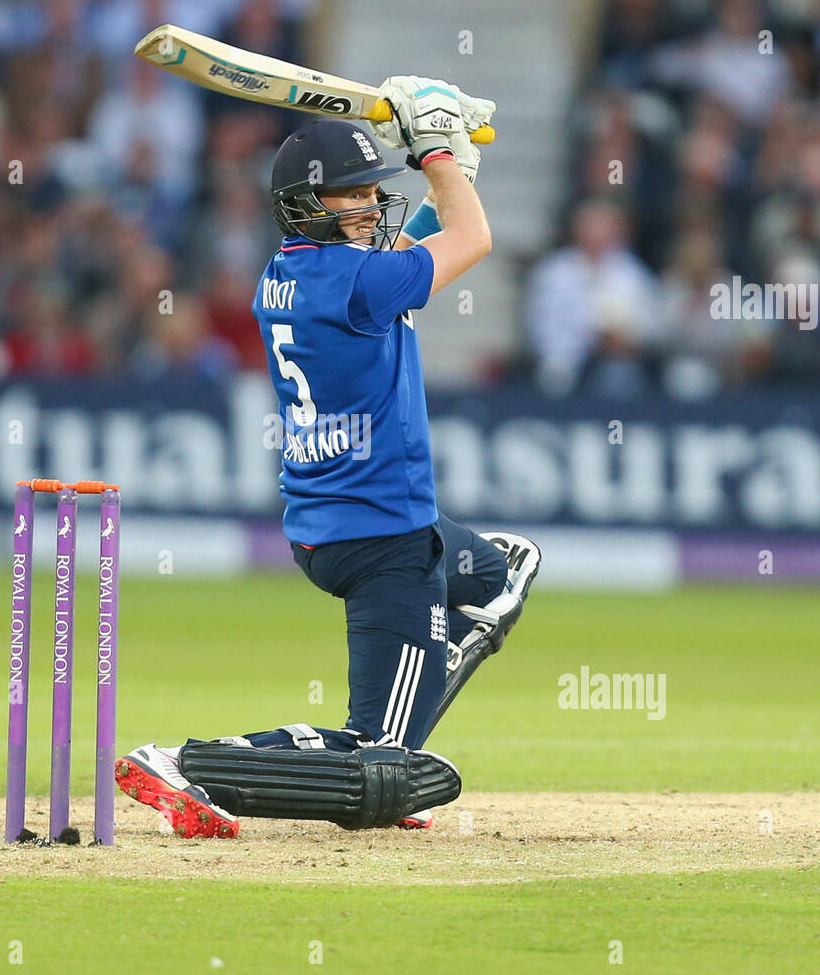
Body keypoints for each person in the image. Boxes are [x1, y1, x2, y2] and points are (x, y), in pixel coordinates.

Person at [117, 79, 541, 838]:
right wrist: (440, 153)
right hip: (384, 539)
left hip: (330, 525)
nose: (372, 205)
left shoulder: (290, 274)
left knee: (497, 575)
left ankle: (390, 754)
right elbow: (470, 242)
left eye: (376, 190)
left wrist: (452, 175)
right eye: (355, 194)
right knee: (375, 752)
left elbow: (408, 253)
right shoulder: (354, 281)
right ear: (311, 204)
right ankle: (188, 761)